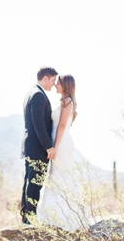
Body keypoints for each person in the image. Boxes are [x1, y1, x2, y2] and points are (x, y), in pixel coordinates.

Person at [37, 74, 89, 229]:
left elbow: (61, 126)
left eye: (58, 83)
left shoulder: (67, 102)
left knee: (61, 177)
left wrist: (55, 147)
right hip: (58, 142)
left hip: (61, 144)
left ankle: (64, 217)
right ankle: (53, 215)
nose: (55, 85)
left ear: (65, 85)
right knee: (56, 177)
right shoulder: (62, 101)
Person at [21, 66, 58, 224]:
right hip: (37, 148)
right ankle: (30, 219)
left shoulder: (32, 93)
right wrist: (48, 146)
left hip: (32, 147)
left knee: (30, 182)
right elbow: (38, 124)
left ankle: (26, 218)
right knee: (34, 184)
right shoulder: (38, 95)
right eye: (53, 80)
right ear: (46, 78)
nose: (54, 84)